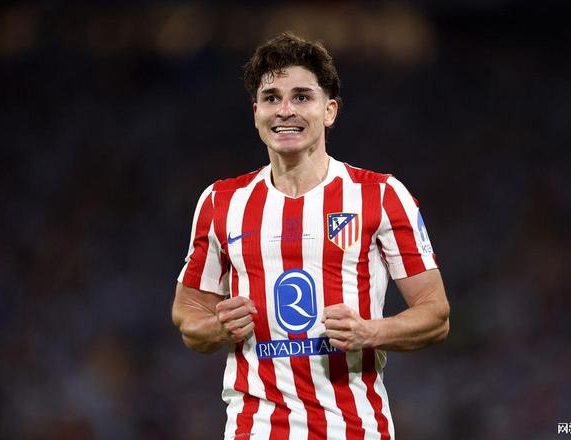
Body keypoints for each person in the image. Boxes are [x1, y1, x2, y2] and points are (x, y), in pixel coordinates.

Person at [172, 32, 450, 440]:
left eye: (302, 97)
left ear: (329, 110)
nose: (285, 110)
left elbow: (436, 315)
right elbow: (187, 316)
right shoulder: (221, 201)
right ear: (256, 113)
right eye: (271, 98)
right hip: (255, 429)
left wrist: (370, 332)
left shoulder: (381, 195)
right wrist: (217, 327)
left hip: (353, 429)